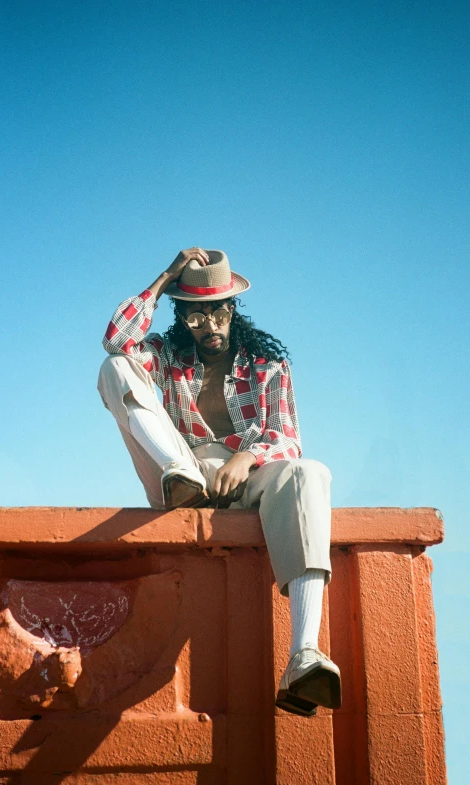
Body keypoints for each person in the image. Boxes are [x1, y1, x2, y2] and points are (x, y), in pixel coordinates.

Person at [97, 247, 341, 715]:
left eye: (217, 313)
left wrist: (246, 457)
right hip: (178, 475)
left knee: (310, 472)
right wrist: (165, 277)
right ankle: (181, 474)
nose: (208, 327)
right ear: (182, 314)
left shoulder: (268, 366)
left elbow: (287, 435)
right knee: (114, 369)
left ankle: (304, 654)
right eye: (195, 317)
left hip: (245, 482)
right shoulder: (166, 358)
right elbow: (116, 342)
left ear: (232, 309)